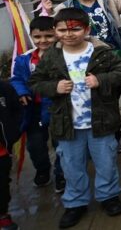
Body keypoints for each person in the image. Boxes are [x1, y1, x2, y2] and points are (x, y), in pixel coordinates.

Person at [29, 8, 121, 229]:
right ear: (55, 30)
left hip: (101, 122)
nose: (69, 34)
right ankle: (75, 202)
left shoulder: (100, 52)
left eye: (75, 29)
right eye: (63, 29)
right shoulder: (51, 57)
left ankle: (109, 196)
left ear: (86, 29)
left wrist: (101, 79)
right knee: (71, 165)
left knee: (106, 163)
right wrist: (53, 87)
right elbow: (35, 82)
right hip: (67, 124)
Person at [48, 0, 121, 152]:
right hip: (80, 62)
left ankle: (114, 137)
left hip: (110, 59)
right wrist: (47, 10)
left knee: (111, 101)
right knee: (86, 101)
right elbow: (53, 30)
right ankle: (90, 140)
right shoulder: (65, 7)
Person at [10, 16, 65, 191]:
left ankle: (62, 175)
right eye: (37, 37)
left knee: (62, 145)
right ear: (31, 36)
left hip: (58, 108)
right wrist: (22, 92)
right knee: (35, 145)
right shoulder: (24, 59)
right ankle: (42, 170)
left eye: (48, 36)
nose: (43, 41)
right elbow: (17, 79)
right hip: (34, 111)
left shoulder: (64, 55)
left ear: (56, 34)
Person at [0, 77, 22, 230]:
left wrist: (11, 134)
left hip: (1, 150)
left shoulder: (4, 88)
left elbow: (17, 110)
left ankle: (2, 215)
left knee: (1, 185)